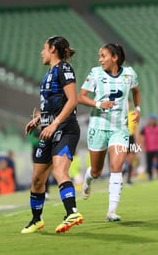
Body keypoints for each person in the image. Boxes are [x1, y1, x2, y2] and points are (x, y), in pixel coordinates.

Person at [22, 36, 83, 234]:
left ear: (53, 49)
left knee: (59, 170)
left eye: (44, 48)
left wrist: (55, 123)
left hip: (64, 129)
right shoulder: (49, 73)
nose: (42, 52)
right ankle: (36, 220)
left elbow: (72, 100)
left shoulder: (64, 69)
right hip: (48, 130)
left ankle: (72, 212)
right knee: (37, 179)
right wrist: (39, 120)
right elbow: (53, 104)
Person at [78, 43, 141, 222]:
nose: (100, 59)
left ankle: (111, 211)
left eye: (103, 56)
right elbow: (80, 97)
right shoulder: (95, 73)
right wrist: (99, 104)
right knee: (97, 171)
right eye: (99, 56)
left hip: (119, 130)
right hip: (98, 127)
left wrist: (137, 108)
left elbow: (136, 91)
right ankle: (88, 180)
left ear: (114, 57)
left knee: (116, 167)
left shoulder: (129, 74)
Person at [28, 108, 51, 199]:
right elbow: (33, 142)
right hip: (36, 152)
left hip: (46, 150)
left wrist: (41, 139)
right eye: (36, 115)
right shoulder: (33, 128)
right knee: (37, 173)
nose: (38, 117)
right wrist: (43, 139)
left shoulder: (47, 126)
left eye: (40, 115)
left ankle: (46, 191)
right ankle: (37, 193)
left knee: (47, 172)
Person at [140, 114, 158, 180]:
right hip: (148, 148)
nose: (152, 121)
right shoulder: (145, 129)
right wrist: (143, 147)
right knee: (149, 163)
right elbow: (142, 138)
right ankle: (150, 176)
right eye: (151, 119)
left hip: (157, 148)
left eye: (154, 119)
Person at [123, 100, 140, 184]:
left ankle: (129, 178)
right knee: (121, 158)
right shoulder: (120, 115)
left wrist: (137, 142)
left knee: (130, 158)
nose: (128, 105)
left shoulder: (133, 114)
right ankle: (119, 176)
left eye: (128, 104)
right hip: (122, 138)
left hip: (131, 137)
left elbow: (136, 129)